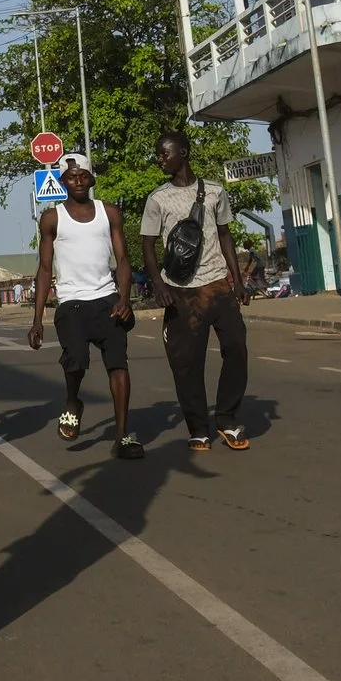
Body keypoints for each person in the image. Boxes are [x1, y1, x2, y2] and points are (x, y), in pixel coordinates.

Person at [26, 155, 141, 459]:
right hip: (71, 303)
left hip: (107, 299)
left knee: (118, 364)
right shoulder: (52, 218)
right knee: (76, 359)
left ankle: (122, 436)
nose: (78, 181)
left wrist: (124, 299)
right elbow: (45, 269)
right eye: (71, 177)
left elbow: (123, 260)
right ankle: (73, 401)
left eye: (83, 176)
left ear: (92, 179)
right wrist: (37, 320)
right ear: (62, 182)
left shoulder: (109, 213)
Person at [140, 132, 248, 453]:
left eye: (165, 153)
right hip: (180, 292)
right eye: (158, 154)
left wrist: (238, 280)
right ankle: (199, 429)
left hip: (217, 286)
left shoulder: (215, 191)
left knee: (237, 348)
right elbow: (147, 244)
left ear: (183, 153)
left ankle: (226, 418)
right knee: (187, 363)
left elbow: (225, 235)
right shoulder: (157, 199)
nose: (160, 159)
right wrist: (159, 285)